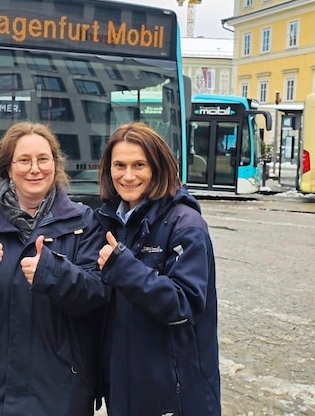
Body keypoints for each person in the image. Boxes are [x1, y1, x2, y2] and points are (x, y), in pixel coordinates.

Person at [0, 122, 109, 415]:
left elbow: (97, 294)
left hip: (62, 389)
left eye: (43, 159)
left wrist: (54, 273)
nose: (35, 169)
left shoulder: (85, 223)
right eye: (24, 160)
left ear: (55, 165)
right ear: (7, 168)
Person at [95, 122, 220, 415]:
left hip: (174, 392)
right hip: (124, 385)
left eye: (139, 165)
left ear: (158, 167)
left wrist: (122, 267)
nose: (128, 175)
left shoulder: (186, 226)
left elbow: (183, 304)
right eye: (119, 165)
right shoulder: (109, 221)